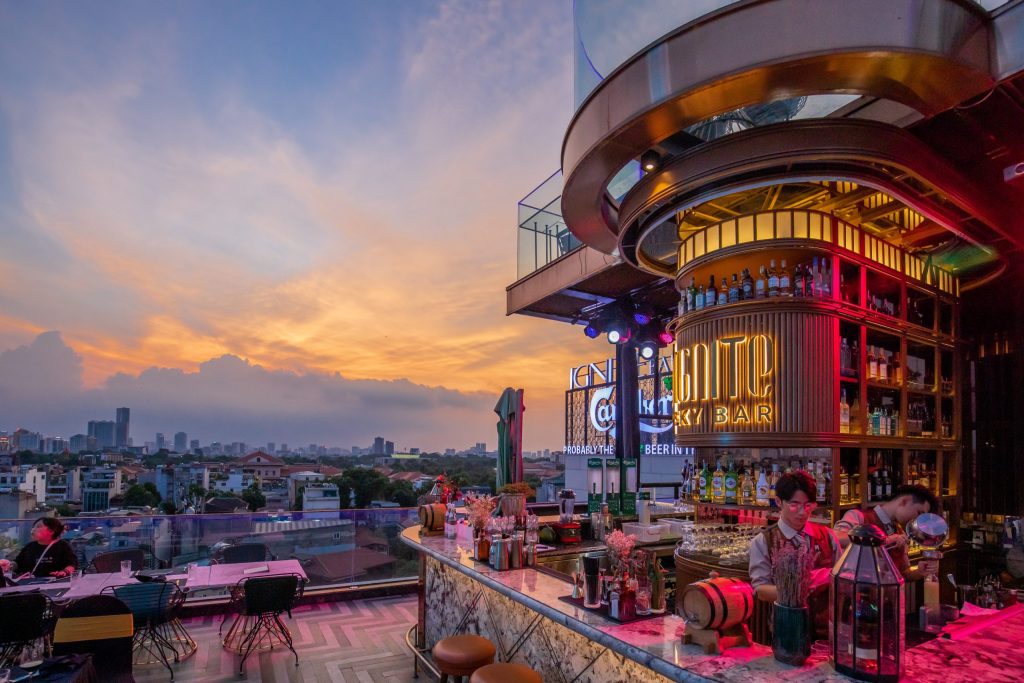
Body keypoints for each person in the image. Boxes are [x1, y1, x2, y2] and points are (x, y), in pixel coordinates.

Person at [749, 470, 839, 638]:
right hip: (787, 629)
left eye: (808, 505)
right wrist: (803, 586)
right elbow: (761, 590)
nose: (802, 512)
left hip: (828, 630)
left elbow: (844, 580)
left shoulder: (827, 536)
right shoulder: (763, 541)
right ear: (778, 502)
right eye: (794, 504)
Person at [833, 484, 940, 579]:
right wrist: (884, 540)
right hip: (858, 595)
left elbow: (902, 573)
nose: (917, 520)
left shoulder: (899, 531)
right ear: (904, 501)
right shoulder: (858, 516)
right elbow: (835, 539)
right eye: (918, 513)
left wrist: (919, 572)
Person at [0, 517, 78, 579]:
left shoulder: (62, 546)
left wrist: (64, 572)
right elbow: (18, 563)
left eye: (38, 526)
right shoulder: (30, 546)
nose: (33, 529)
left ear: (51, 531)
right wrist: (8, 565)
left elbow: (72, 564)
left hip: (55, 583)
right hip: (30, 584)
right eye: (33, 527)